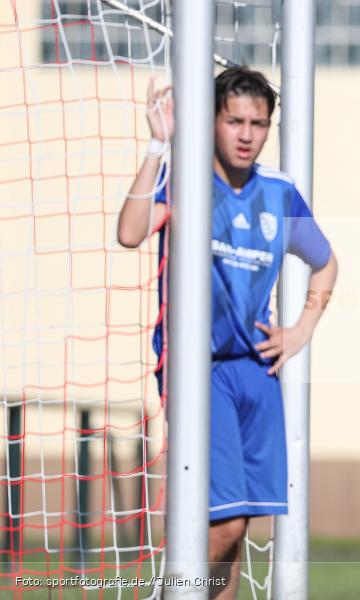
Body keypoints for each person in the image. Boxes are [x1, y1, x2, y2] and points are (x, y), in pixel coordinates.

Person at [117, 66, 337, 598]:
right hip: (198, 368)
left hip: (256, 369)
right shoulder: (188, 180)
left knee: (238, 530)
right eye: (234, 120)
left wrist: (301, 328)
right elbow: (129, 232)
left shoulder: (279, 194)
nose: (246, 134)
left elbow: (326, 264)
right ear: (213, 121)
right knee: (223, 524)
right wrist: (156, 146)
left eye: (258, 123)